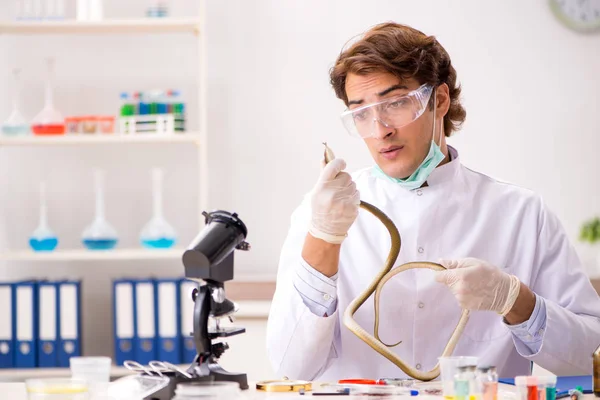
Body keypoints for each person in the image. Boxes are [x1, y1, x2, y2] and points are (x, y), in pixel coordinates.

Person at [265, 22, 600, 381]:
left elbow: (586, 358)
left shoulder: (521, 213)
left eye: (395, 103)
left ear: (439, 100)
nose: (379, 130)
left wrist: (514, 300)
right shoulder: (323, 213)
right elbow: (291, 369)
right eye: (361, 112)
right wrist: (324, 240)